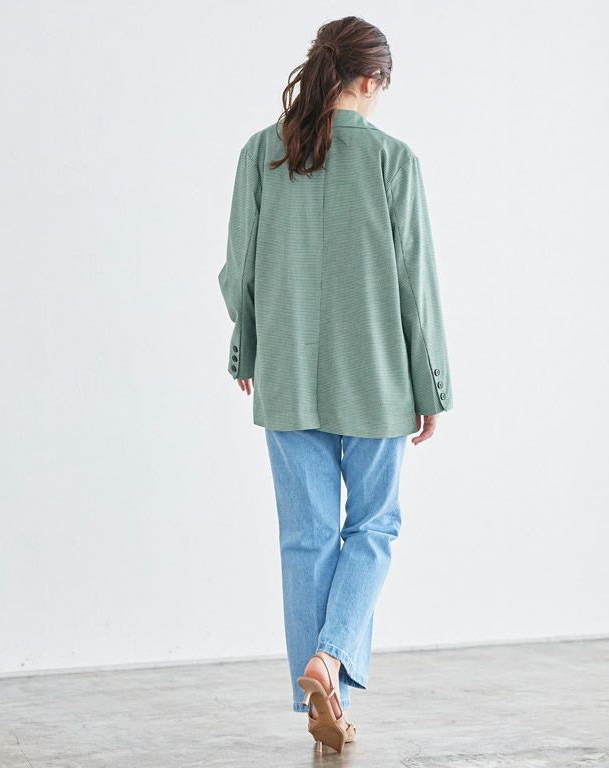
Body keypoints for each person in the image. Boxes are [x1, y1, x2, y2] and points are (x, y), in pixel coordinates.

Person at [217, 15, 454, 753]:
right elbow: (417, 285)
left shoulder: (263, 151)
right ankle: (331, 660)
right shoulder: (392, 158)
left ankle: (324, 699)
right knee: (373, 527)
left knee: (307, 538)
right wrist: (433, 386)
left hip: (286, 373)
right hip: (377, 375)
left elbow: (237, 268)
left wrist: (246, 349)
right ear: (371, 80)